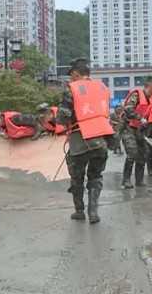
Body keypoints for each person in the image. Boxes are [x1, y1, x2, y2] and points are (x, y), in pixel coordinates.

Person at [57, 58, 114, 224]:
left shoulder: (72, 89)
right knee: (96, 176)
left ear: (76, 74)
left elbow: (63, 116)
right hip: (100, 139)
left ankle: (79, 211)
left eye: (71, 76)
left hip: (79, 140)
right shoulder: (102, 87)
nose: (70, 80)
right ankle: (93, 211)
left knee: (77, 177)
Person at [120, 78, 152, 189]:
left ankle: (139, 180)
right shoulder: (137, 94)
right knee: (132, 153)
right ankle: (126, 180)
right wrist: (140, 118)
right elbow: (128, 109)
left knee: (143, 153)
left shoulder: (150, 99)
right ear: (149, 86)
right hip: (128, 128)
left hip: (140, 130)